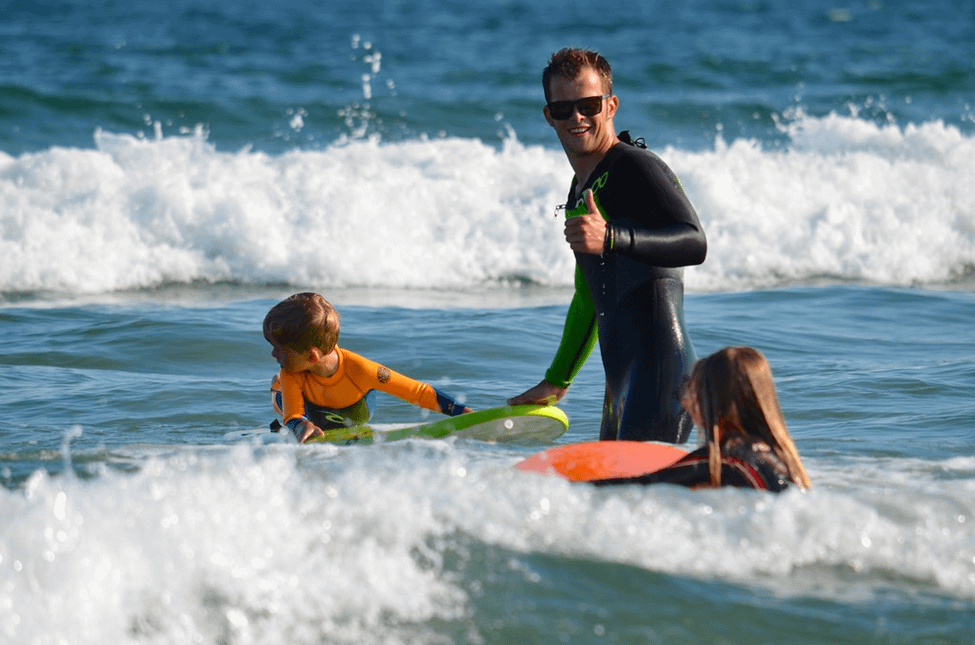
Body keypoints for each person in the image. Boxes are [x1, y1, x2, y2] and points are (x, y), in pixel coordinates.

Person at [508, 47, 707, 443]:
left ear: (611, 106)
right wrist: (558, 379)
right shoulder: (580, 189)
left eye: (588, 105)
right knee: (617, 484)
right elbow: (589, 297)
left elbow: (694, 242)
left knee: (644, 483)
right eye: (563, 109)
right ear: (549, 116)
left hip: (660, 375)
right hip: (621, 384)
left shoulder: (636, 167)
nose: (577, 118)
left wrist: (612, 237)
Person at [595, 347, 812, 492]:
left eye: (693, 391)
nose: (686, 402)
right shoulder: (779, 458)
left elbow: (640, 487)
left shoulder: (722, 461)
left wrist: (574, 489)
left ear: (711, 401)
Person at [263, 292, 471, 443]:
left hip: (356, 410)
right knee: (282, 396)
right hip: (312, 411)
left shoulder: (361, 369)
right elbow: (292, 415)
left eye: (280, 350)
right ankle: (277, 390)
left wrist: (461, 412)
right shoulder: (290, 372)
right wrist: (299, 426)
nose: (273, 354)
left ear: (312, 356)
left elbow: (417, 391)